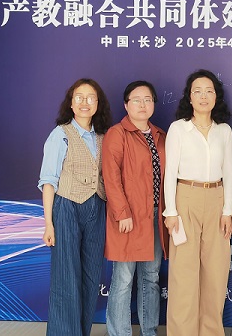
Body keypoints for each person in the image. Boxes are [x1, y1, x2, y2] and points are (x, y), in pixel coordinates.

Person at [163, 69, 232, 336]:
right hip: (185, 199)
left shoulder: (224, 131)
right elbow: (170, 172)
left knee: (215, 273)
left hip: (217, 199)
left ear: (216, 97)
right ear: (189, 97)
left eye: (209, 91)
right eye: (197, 91)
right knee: (183, 275)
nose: (203, 96)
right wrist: (171, 212)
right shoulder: (178, 128)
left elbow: (229, 172)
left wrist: (228, 210)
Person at [38, 78, 112, 336]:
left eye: (90, 97)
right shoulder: (60, 134)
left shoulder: (103, 137)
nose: (84, 102)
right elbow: (48, 181)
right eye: (79, 97)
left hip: (96, 208)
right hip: (67, 207)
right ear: (71, 103)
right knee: (66, 277)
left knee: (91, 276)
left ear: (97, 103)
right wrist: (49, 224)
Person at [103, 81, 169, 336]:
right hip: (128, 219)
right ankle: (119, 333)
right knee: (123, 280)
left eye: (148, 99)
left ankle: (149, 331)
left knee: (151, 278)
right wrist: (122, 213)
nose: (143, 105)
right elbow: (111, 177)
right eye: (137, 100)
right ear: (126, 105)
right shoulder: (117, 134)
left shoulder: (160, 135)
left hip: (155, 217)